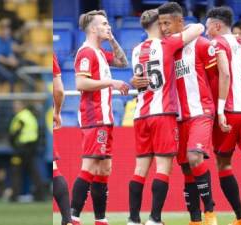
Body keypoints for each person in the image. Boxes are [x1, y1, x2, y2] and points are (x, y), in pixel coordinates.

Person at [128, 8, 204, 225]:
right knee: (163, 168)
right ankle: (154, 218)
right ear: (158, 25)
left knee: (139, 169)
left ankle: (133, 219)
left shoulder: (136, 50)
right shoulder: (167, 44)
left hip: (141, 113)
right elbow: (199, 28)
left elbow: (138, 78)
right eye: (162, 23)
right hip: (163, 113)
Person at [157, 3, 218, 225]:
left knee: (195, 157)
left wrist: (218, 110)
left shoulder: (201, 45)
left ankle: (210, 212)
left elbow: (214, 78)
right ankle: (195, 220)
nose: (163, 28)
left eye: (167, 22)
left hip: (201, 112)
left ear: (180, 22)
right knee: (185, 167)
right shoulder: (165, 49)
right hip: (177, 117)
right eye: (161, 23)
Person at [70, 9, 129, 225]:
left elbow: (122, 62)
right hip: (94, 117)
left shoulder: (101, 53)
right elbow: (81, 83)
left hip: (105, 118)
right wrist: (112, 83)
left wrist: (112, 39)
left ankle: (100, 220)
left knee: (104, 169)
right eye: (104, 24)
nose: (108, 27)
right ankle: (72, 218)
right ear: (93, 28)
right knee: (90, 166)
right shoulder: (86, 53)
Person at [205, 6, 241, 225]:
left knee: (224, 164)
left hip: (231, 110)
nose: (206, 33)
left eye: (207, 28)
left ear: (216, 26)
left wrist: (220, 108)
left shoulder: (218, 42)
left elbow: (224, 72)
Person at [8, 100, 45, 202]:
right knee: (34, 171)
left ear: (21, 106)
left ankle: (14, 195)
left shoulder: (20, 117)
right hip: (31, 148)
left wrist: (12, 143)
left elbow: (14, 133)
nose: (14, 108)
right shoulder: (30, 116)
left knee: (16, 171)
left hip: (21, 149)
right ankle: (40, 195)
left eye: (16, 106)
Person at [52, 53, 72, 225]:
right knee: (53, 168)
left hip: (39, 108)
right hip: (47, 109)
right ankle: (67, 219)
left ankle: (67, 219)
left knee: (52, 169)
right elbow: (58, 89)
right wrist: (57, 112)